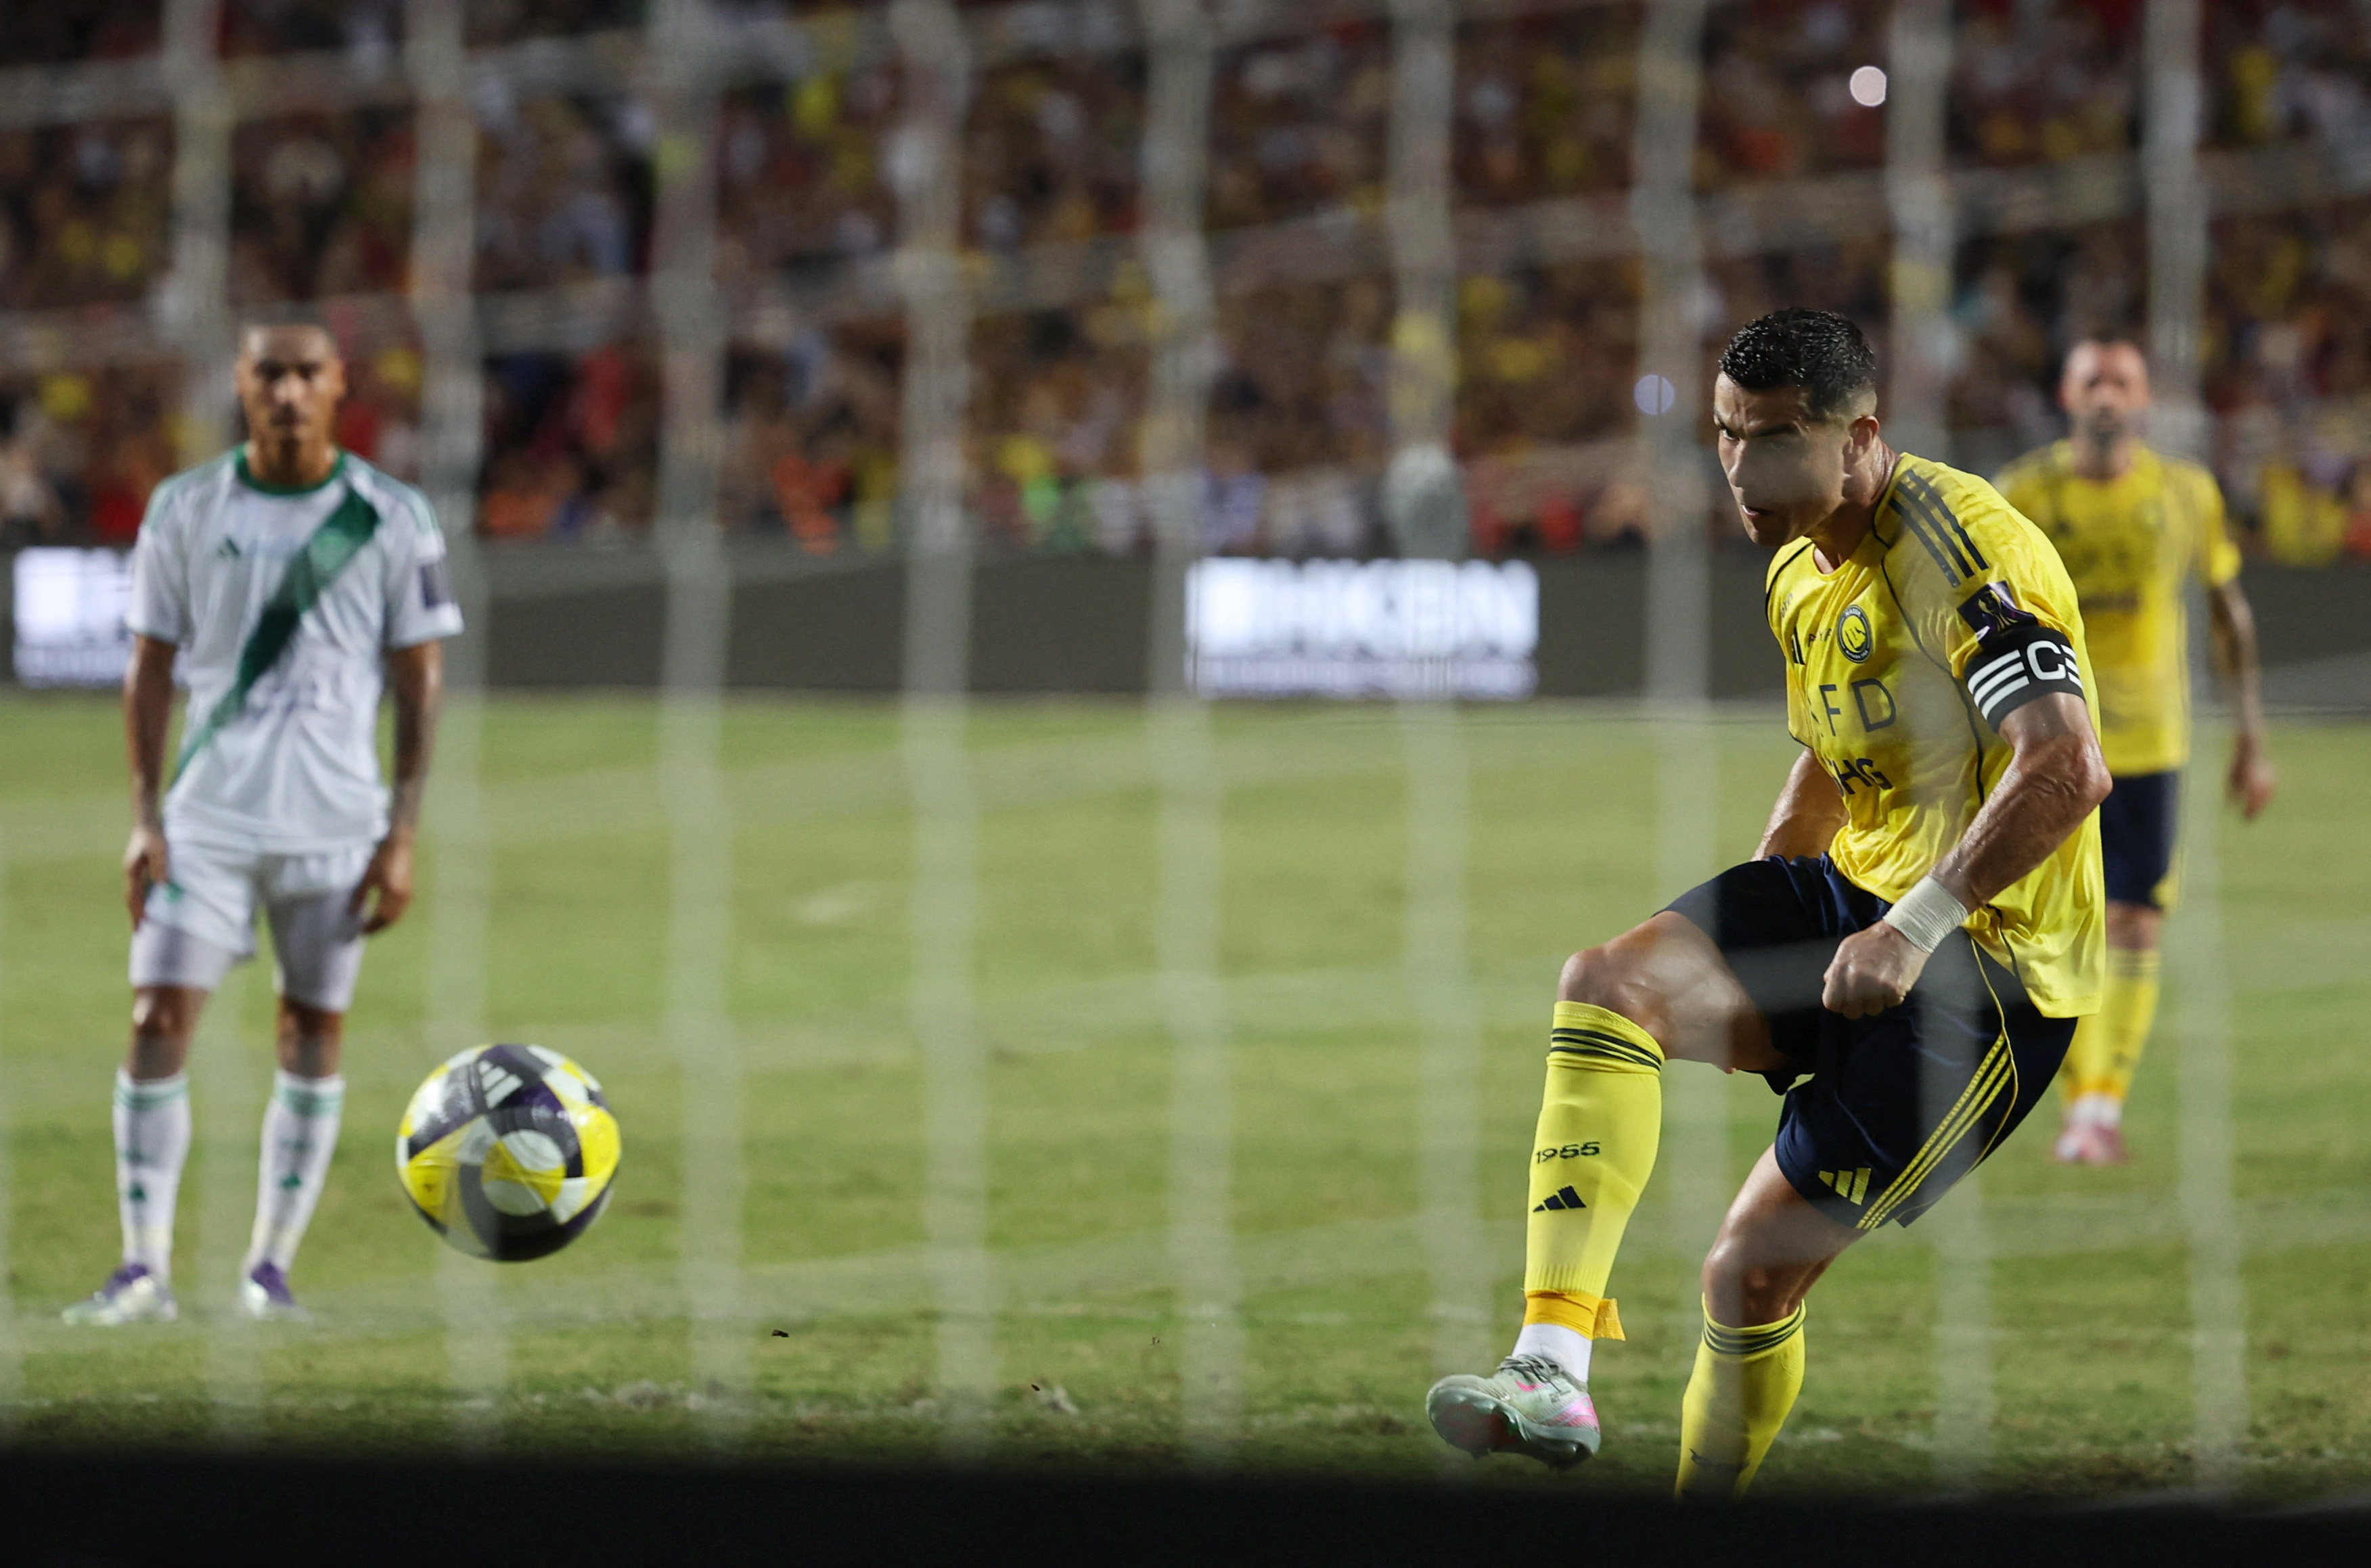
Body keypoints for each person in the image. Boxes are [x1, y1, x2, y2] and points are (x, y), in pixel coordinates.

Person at [1424, 308, 2108, 1498]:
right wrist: (1758, 906)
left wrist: (1911, 926)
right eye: (1724, 434)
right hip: (1854, 900)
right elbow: (1825, 747)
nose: (1739, 467)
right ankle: (1548, 1364)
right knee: (1608, 983)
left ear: (1857, 439)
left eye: (1775, 438)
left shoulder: (1959, 548)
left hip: (1988, 974)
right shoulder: (1796, 563)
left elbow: (2066, 765)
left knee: (1744, 1273)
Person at [63, 314, 462, 1325]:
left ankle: (268, 1272)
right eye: (268, 373)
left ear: (340, 384)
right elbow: (148, 667)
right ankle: (141, 1266)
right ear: (240, 385)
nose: (287, 391)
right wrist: (144, 817)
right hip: (208, 818)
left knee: (312, 1031)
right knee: (157, 1021)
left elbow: (419, 680)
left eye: (305, 373)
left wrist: (403, 830)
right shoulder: (185, 507)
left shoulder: (392, 515)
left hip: (336, 823)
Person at [1997, 340, 2275, 1165]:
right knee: (2054, 929)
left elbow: (2230, 612)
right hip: (2048, 740)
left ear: (2146, 398)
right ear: (2066, 393)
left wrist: (2252, 738)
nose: (2108, 395)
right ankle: (2077, 1097)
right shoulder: (2024, 493)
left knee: (2135, 922)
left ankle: (2097, 1106)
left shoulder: (2185, 491)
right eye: (2093, 380)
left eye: (2123, 381)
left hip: (2153, 741)